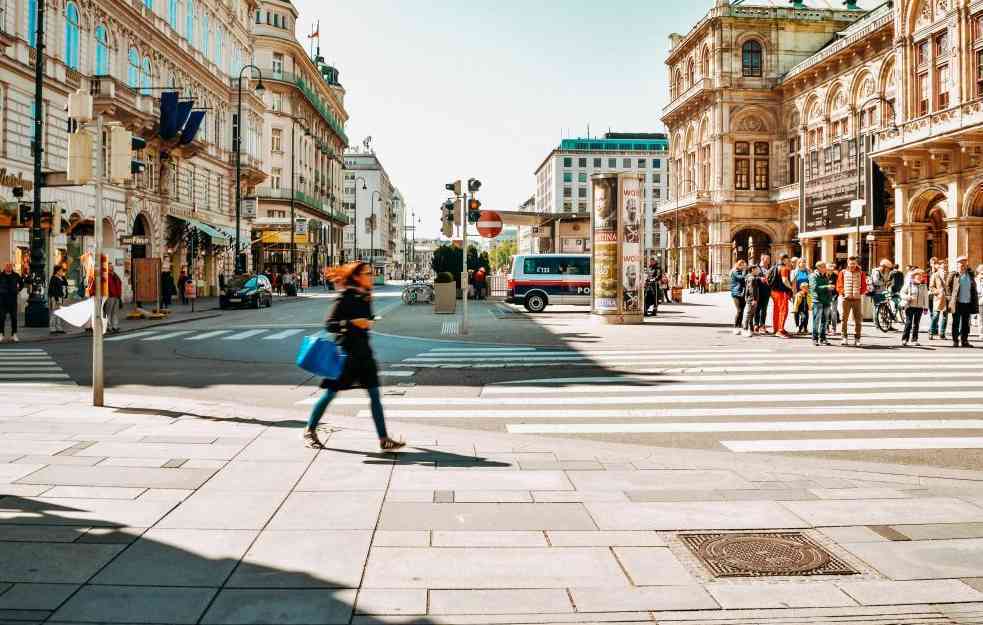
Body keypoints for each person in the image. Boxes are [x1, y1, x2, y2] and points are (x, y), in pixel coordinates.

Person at [304, 261, 404, 451]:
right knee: (330, 393)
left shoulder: (365, 297)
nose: (371, 276)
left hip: (365, 355)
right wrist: (351, 323)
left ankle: (384, 439)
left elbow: (367, 320)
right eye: (367, 273)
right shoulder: (345, 297)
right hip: (346, 355)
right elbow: (329, 325)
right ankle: (309, 430)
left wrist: (368, 322)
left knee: (375, 395)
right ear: (357, 277)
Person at [945, 256, 979, 348]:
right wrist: (949, 298)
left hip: (967, 303)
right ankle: (955, 341)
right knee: (955, 323)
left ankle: (964, 341)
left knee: (965, 324)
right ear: (957, 264)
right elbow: (947, 286)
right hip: (957, 303)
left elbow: (973, 288)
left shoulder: (970, 274)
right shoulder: (954, 274)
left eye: (964, 263)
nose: (962, 265)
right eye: (960, 263)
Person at [836, 255, 868, 347]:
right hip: (846, 299)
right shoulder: (843, 272)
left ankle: (857, 338)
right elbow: (839, 284)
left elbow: (864, 285)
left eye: (854, 263)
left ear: (856, 263)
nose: (852, 265)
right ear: (848, 263)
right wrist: (843, 293)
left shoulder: (861, 273)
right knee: (844, 319)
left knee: (858, 320)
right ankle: (844, 337)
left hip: (857, 299)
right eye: (850, 263)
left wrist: (860, 293)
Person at [899, 267, 929, 347]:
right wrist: (907, 297)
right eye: (918, 276)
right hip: (910, 306)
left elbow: (925, 297)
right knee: (908, 323)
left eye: (921, 276)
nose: (920, 277)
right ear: (914, 276)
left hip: (919, 307)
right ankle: (904, 339)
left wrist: (926, 307)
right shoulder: (909, 284)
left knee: (916, 324)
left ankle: (915, 339)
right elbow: (902, 293)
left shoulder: (923, 285)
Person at [809, 261, 835, 346]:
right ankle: (814, 338)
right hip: (818, 300)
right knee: (816, 320)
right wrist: (827, 287)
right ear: (819, 268)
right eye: (824, 267)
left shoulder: (825, 276)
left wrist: (830, 290)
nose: (826, 268)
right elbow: (814, 287)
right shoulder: (813, 276)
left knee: (825, 320)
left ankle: (823, 338)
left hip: (826, 300)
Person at [768, 254, 793, 338]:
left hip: (774, 291)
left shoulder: (774, 267)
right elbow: (785, 280)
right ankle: (780, 330)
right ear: (784, 260)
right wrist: (791, 288)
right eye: (788, 260)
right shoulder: (784, 268)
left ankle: (776, 328)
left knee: (776, 310)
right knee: (783, 311)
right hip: (782, 292)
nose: (789, 261)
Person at [0, 263, 23, 342]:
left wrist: (17, 290)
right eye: (7, 266)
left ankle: (14, 334)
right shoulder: (1, 275)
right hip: (2, 300)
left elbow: (21, 284)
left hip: (13, 300)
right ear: (5, 267)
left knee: (14, 318)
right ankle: (1, 334)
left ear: (12, 268)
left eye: (10, 267)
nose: (8, 268)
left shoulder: (16, 275)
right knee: (1, 317)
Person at [930, 259, 949, 340]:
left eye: (945, 266)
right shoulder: (935, 275)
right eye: (943, 266)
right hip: (938, 298)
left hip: (947, 298)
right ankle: (931, 332)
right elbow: (931, 286)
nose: (944, 268)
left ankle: (942, 333)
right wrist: (937, 292)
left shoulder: (949, 275)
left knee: (945, 317)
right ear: (939, 267)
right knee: (935, 316)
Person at [741, 263, 762, 338]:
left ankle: (751, 329)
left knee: (751, 314)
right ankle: (745, 329)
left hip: (751, 298)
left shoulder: (751, 277)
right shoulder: (752, 278)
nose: (758, 270)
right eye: (756, 269)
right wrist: (754, 299)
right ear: (752, 270)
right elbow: (751, 289)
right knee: (749, 314)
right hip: (751, 299)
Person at [48, 266, 69, 335]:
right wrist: (56, 299)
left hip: (61, 297)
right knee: (54, 313)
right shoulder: (53, 278)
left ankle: (59, 327)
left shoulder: (61, 278)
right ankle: (52, 328)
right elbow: (52, 290)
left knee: (59, 313)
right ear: (57, 271)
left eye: (62, 271)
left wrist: (63, 277)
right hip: (55, 298)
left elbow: (66, 284)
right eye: (60, 271)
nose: (62, 272)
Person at [729, 260, 747, 335]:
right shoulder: (734, 271)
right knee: (739, 310)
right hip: (736, 293)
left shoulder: (743, 271)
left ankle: (739, 326)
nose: (743, 266)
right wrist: (744, 271)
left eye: (744, 265)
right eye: (741, 265)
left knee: (742, 310)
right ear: (738, 265)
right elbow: (740, 278)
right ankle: (736, 326)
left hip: (743, 293)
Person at [755, 253, 772, 333]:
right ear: (762, 259)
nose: (769, 260)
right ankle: (756, 325)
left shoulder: (769, 268)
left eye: (769, 259)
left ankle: (762, 325)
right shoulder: (756, 267)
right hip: (758, 291)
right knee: (757, 308)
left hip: (766, 291)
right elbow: (750, 276)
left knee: (764, 309)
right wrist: (759, 278)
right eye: (767, 259)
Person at [105, 265, 123, 334]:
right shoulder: (107, 276)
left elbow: (119, 283)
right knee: (109, 312)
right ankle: (109, 327)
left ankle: (115, 326)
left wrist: (119, 295)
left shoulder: (115, 275)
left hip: (116, 296)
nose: (112, 268)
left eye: (112, 267)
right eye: (110, 267)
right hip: (110, 296)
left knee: (115, 312)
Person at [976, 264, 983, 341]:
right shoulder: (976, 281)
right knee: (981, 319)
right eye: (981, 273)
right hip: (980, 302)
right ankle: (981, 334)